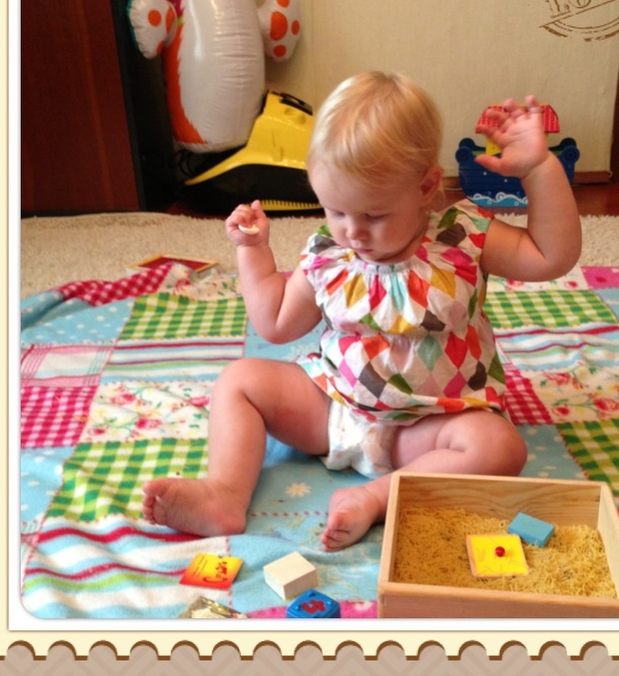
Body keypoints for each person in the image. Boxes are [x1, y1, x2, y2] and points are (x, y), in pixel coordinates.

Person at [142, 72, 582, 551]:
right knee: (239, 380)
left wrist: (540, 169)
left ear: (425, 187)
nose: (352, 232)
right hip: (332, 409)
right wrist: (252, 252)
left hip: (429, 428)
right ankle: (225, 494)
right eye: (335, 211)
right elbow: (275, 323)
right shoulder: (330, 257)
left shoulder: (462, 238)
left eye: (373, 215)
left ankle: (377, 497)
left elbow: (551, 256)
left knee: (500, 447)